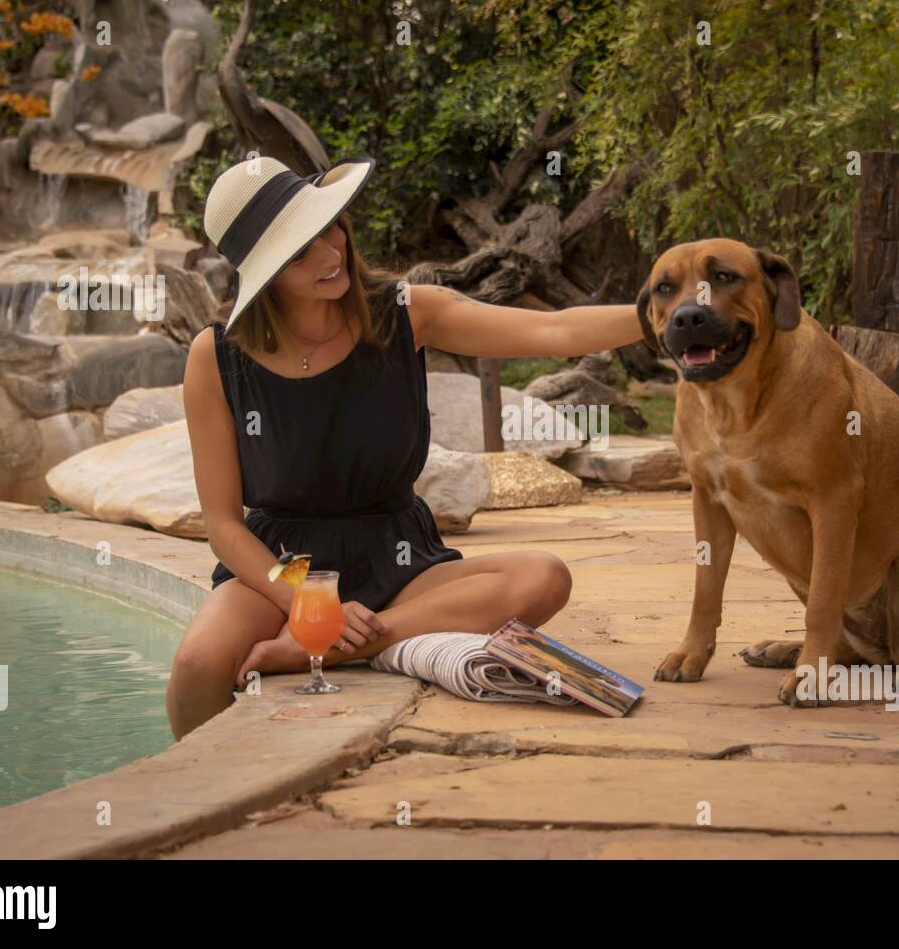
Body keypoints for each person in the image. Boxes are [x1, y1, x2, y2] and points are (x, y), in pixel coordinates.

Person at [166, 155, 645, 739]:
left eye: (329, 229)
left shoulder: (406, 313)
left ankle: (343, 646)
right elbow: (223, 525)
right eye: (298, 252)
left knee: (543, 577)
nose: (328, 254)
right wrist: (306, 602)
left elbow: (558, 331)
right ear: (262, 271)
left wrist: (666, 314)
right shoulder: (216, 358)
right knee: (196, 667)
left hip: (397, 559)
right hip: (285, 564)